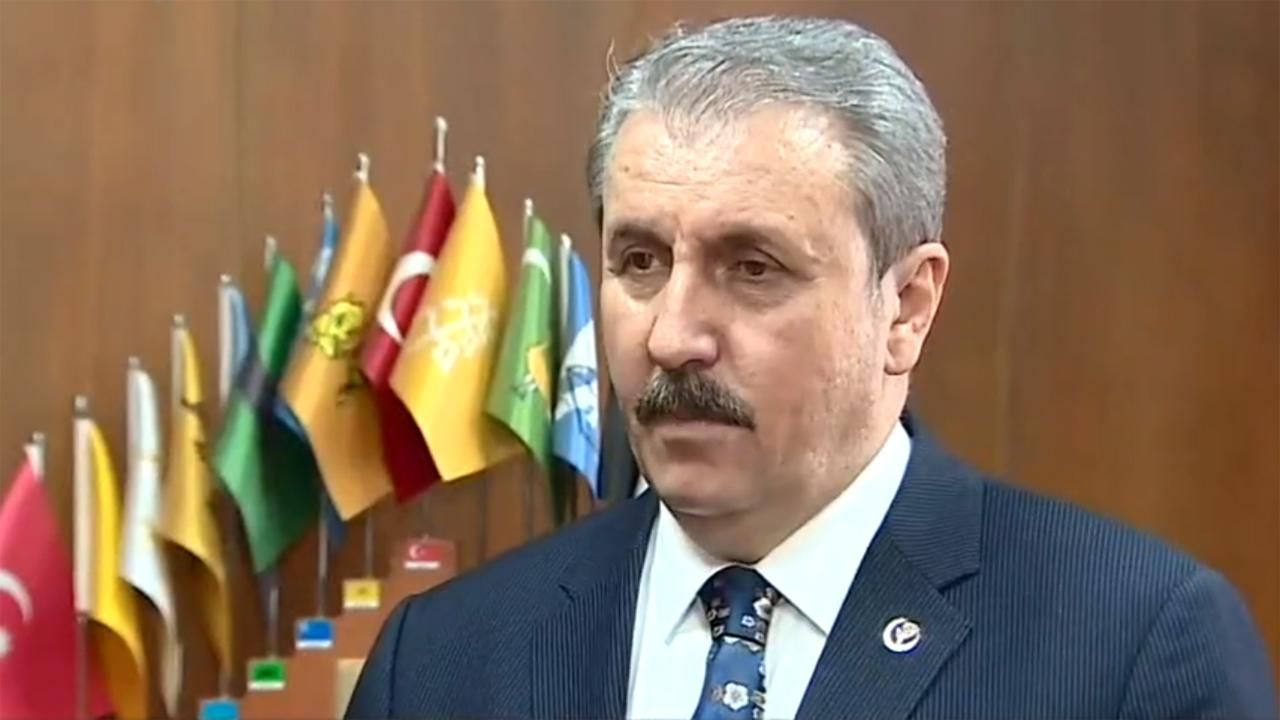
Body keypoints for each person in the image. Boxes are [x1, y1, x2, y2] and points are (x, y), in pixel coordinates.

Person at [346, 15, 1278, 719]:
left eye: (752, 268)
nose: (672, 336)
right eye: (640, 261)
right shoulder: (440, 663)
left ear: (906, 306)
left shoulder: (1132, 648)